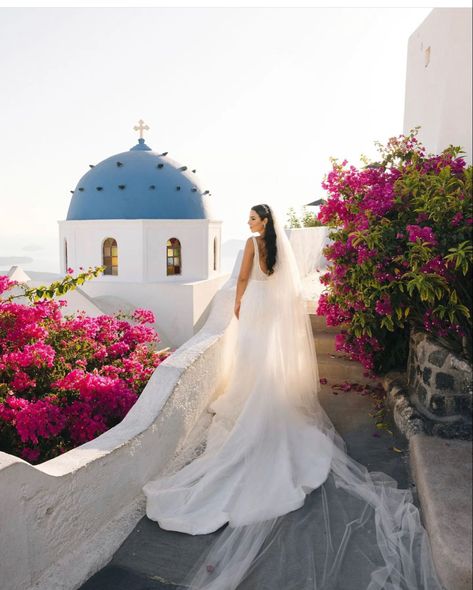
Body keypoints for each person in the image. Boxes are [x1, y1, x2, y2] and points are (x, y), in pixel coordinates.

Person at [142, 204, 444, 589]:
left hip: (254, 305)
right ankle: (264, 395)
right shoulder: (280, 248)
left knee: (251, 358)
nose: (248, 223)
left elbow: (242, 280)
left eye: (252, 218)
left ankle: (250, 398)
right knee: (267, 357)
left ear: (264, 222)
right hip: (272, 307)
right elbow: (285, 283)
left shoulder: (252, 244)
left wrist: (236, 304)